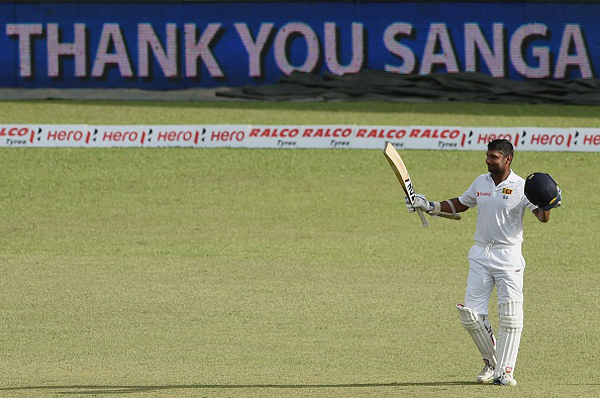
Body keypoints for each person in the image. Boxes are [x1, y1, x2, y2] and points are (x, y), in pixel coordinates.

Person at [406, 138, 561, 386]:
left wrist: (548, 203)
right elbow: (460, 204)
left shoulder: (521, 187)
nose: (488, 161)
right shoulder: (481, 182)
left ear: (508, 159)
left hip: (508, 256)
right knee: (471, 315)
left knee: (510, 315)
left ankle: (505, 372)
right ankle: (492, 363)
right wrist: (429, 206)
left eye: (494, 157)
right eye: (488, 156)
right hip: (480, 254)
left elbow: (542, 217)